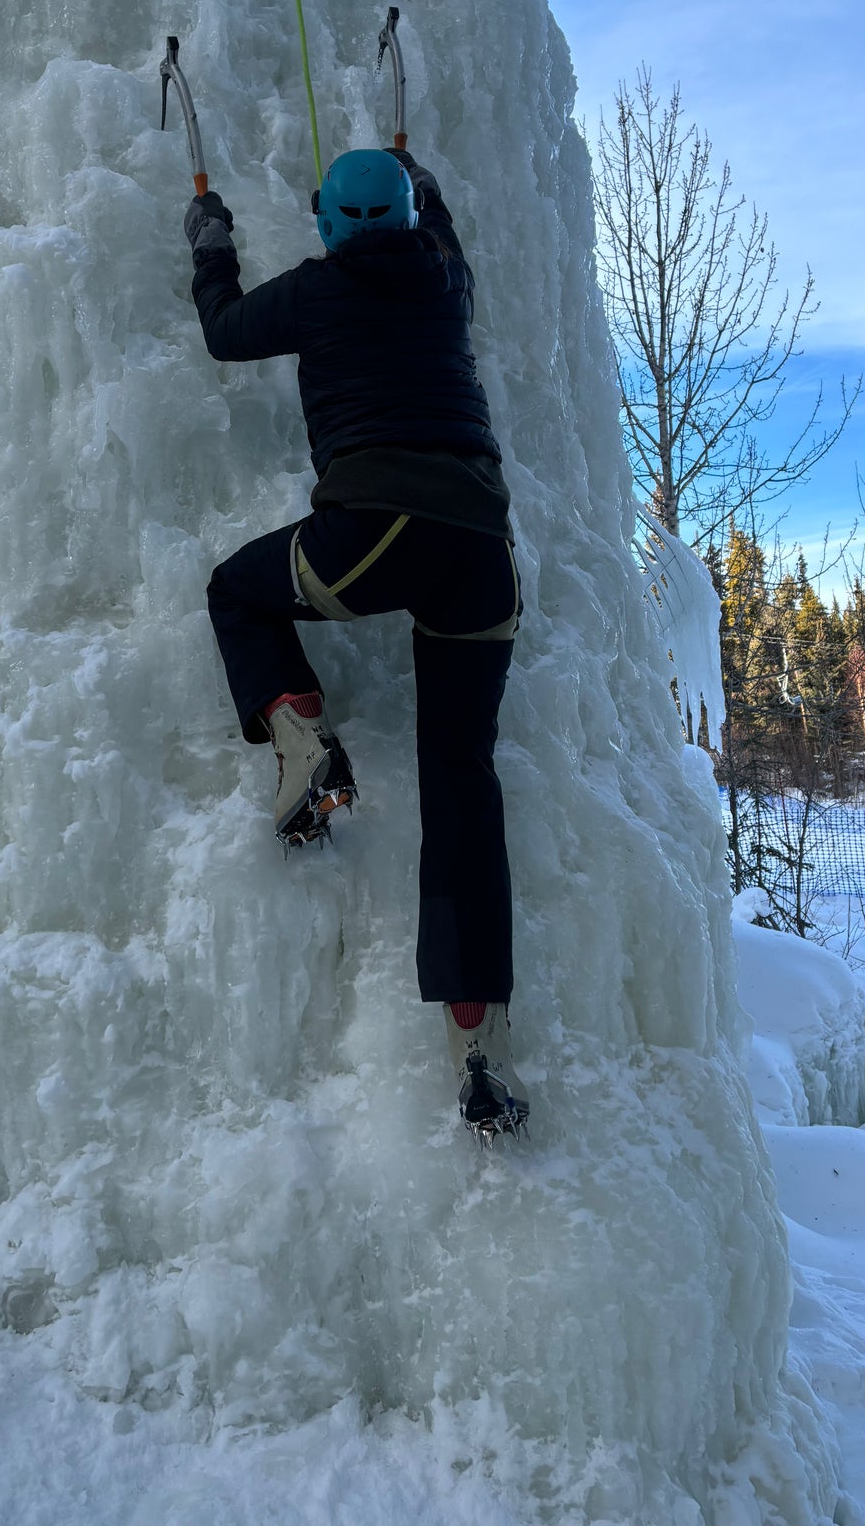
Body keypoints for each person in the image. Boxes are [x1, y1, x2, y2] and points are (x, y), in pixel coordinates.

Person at [185, 148, 529, 1140]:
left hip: (372, 530)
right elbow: (446, 234)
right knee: (460, 769)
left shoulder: (318, 289)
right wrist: (435, 182)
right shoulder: (444, 280)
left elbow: (222, 333)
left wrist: (211, 244)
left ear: (332, 224)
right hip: (480, 549)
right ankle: (473, 1043)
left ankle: (299, 733)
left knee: (236, 592)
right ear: (409, 215)